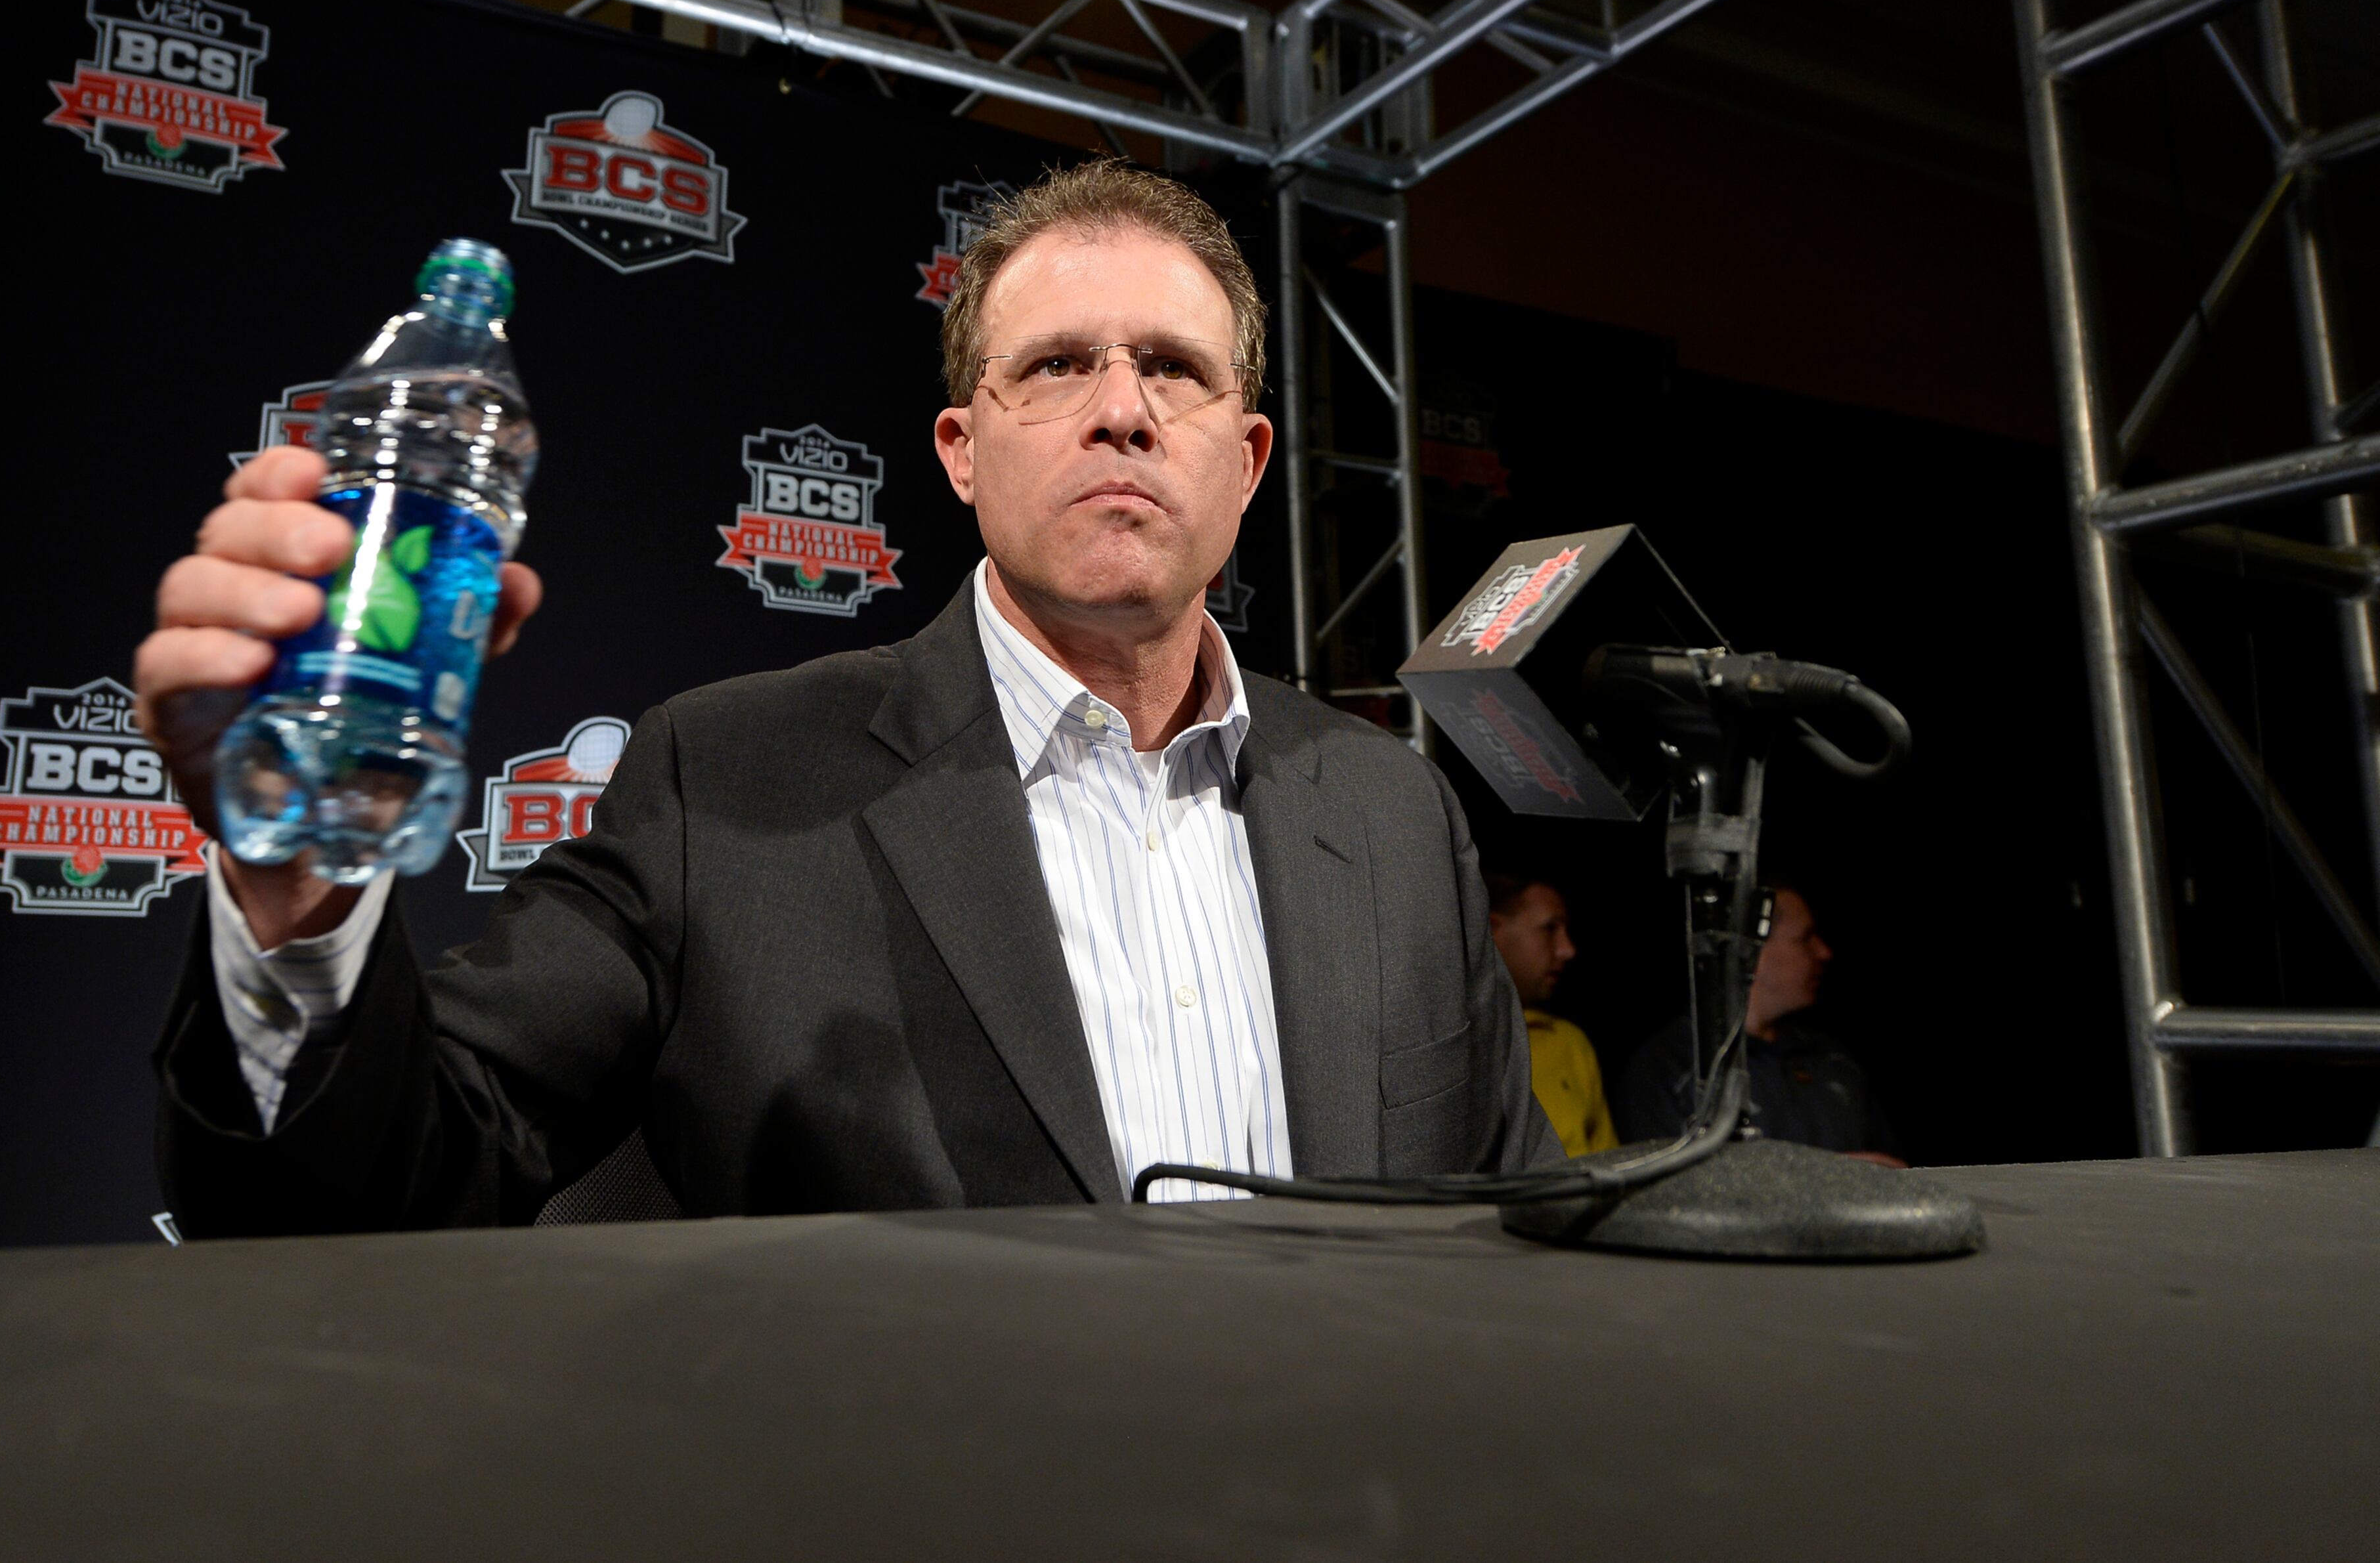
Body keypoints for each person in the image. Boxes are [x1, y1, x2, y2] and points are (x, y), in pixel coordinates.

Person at [137, 160, 1556, 1234]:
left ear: (1246, 461)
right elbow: (396, 1178)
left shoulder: (1391, 813)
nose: (1121, 408)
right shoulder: (725, 780)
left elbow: (1520, 1228)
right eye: (1057, 365)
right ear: (960, 448)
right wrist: (295, 887)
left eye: (1171, 370)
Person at [1612, 884, 1903, 1165]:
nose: (1824, 952)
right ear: (1751, 951)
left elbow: (1889, 1168)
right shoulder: (1671, 1068)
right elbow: (1667, 1198)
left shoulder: (1833, 1061)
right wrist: (1821, 1180)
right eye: (1806, 938)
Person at [1483, 874, 1616, 1155]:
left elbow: (1609, 1167)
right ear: (1494, 932)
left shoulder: (1569, 1043)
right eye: (1549, 928)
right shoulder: (1460, 1039)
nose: (1567, 950)